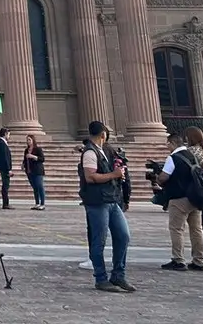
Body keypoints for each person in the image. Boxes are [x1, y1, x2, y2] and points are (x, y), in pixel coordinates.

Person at [79, 120, 134, 293]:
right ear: (103, 134)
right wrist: (114, 174)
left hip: (111, 199)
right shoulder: (90, 152)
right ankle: (101, 278)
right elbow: (90, 177)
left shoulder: (104, 151)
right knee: (99, 241)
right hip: (98, 202)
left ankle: (118, 274)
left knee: (123, 235)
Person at [156, 125, 203, 270]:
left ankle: (178, 259)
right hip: (195, 196)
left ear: (172, 143)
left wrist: (157, 179)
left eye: (168, 144)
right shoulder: (193, 156)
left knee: (176, 229)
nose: (167, 147)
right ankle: (199, 260)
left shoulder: (173, 158)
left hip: (178, 197)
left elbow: (164, 177)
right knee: (196, 229)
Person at [22, 134, 46, 210]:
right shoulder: (26, 150)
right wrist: (23, 165)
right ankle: (37, 203)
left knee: (40, 186)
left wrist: (33, 156)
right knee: (35, 187)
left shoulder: (38, 149)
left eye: (29, 140)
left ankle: (42, 203)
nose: (28, 141)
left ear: (33, 140)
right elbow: (25, 159)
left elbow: (42, 159)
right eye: (27, 140)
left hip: (38, 170)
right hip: (29, 170)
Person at [0, 128, 13, 209]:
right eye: (8, 134)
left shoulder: (2, 142)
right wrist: (8, 169)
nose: (9, 136)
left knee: (6, 185)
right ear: (5, 134)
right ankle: (5, 203)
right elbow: (4, 157)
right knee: (5, 185)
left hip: (3, 167)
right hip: (4, 167)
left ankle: (6, 203)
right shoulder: (1, 143)